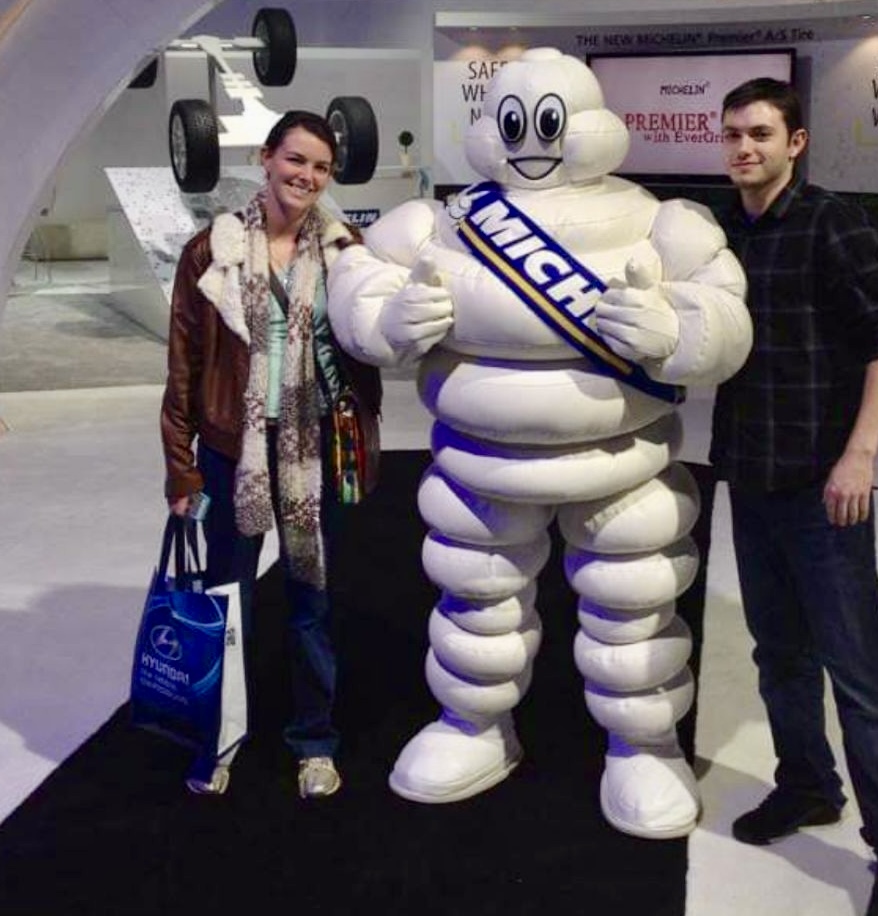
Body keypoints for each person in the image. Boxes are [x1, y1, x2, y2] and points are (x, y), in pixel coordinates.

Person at [327, 48, 751, 840]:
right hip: (479, 463)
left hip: (621, 462)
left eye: (549, 121)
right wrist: (385, 322)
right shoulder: (445, 220)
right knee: (476, 601)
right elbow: (359, 273)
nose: (534, 139)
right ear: (493, 127)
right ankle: (474, 726)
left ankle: (642, 742)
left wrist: (674, 330)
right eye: (517, 122)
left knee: (633, 606)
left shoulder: (658, 219)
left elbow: (724, 309)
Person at [710, 78, 878, 916]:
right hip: (752, 475)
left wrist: (860, 455)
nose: (743, 148)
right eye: (731, 133)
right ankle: (806, 785)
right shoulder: (724, 228)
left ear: (795, 141)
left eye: (760, 133)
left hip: (822, 486)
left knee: (860, 673)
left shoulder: (829, 220)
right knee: (780, 658)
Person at [160, 109, 382, 799]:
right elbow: (184, 364)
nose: (307, 177)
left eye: (320, 167)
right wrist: (181, 465)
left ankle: (313, 740)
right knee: (226, 602)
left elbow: (368, 346)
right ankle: (218, 737)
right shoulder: (213, 250)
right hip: (233, 449)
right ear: (265, 157)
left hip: (315, 445)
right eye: (296, 160)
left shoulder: (349, 249)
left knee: (309, 600)